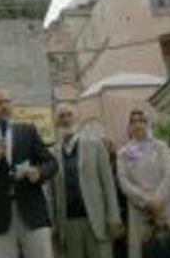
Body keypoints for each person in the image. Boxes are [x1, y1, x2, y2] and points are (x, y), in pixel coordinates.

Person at [0, 89, 59, 258]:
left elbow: (52, 163)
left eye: (7, 101)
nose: (4, 106)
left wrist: (39, 172)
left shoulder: (28, 131)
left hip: (33, 213)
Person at [50, 104, 122, 258]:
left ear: (77, 118)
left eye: (69, 115)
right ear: (56, 122)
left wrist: (113, 217)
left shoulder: (95, 145)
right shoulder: (52, 154)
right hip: (68, 224)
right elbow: (52, 195)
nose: (66, 119)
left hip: (97, 221)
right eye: (61, 116)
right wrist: (54, 226)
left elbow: (108, 185)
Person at [116, 108, 170, 258]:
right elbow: (124, 182)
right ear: (129, 127)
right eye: (133, 122)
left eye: (141, 120)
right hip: (140, 209)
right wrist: (147, 201)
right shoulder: (123, 153)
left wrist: (158, 199)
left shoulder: (160, 146)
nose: (138, 125)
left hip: (166, 205)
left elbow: (169, 172)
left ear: (147, 124)